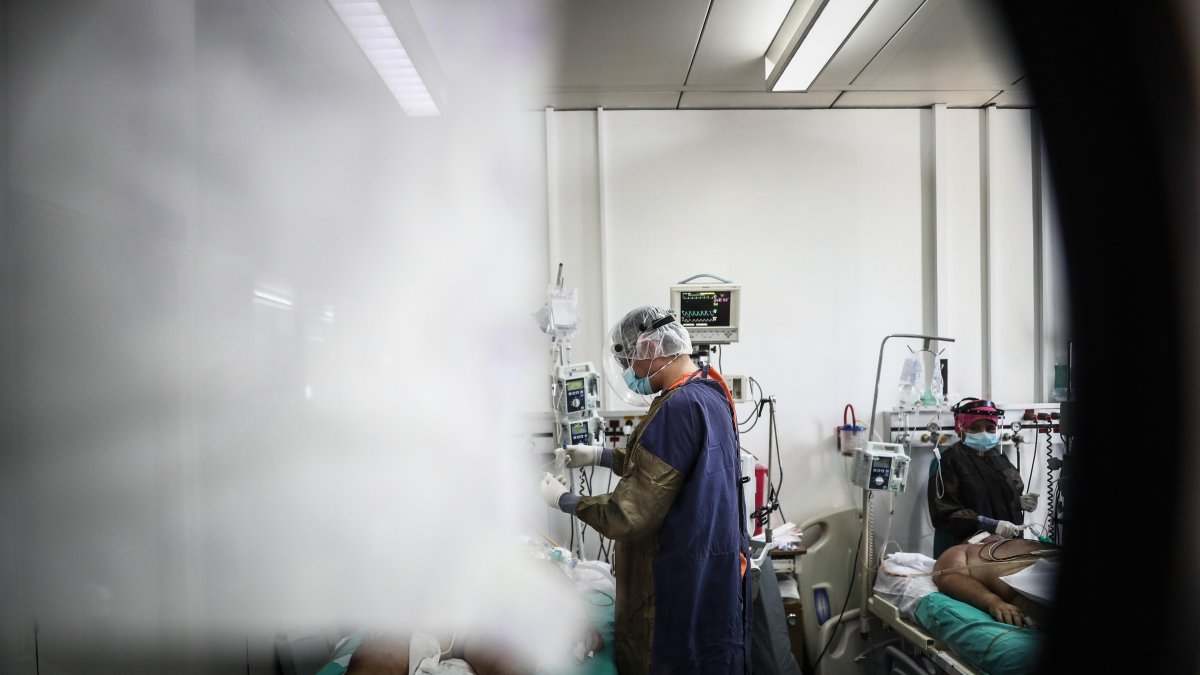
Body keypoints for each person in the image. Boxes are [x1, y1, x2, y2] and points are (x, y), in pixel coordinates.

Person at [538, 305, 751, 675]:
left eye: (628, 360)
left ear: (650, 350)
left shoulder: (677, 408)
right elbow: (669, 467)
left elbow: (628, 516)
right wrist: (598, 455)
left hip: (674, 587)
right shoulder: (709, 392)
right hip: (710, 574)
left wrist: (566, 501)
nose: (629, 373)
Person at [927, 397, 1040, 557]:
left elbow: (999, 494)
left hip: (1005, 546)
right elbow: (944, 513)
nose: (984, 434)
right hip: (961, 550)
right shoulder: (945, 462)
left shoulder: (998, 458)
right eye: (975, 428)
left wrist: (1017, 501)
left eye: (990, 428)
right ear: (961, 428)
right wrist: (989, 524)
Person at [932, 535, 1061, 629]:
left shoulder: (1012, 542)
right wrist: (993, 601)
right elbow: (950, 578)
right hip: (1027, 588)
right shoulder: (963, 550)